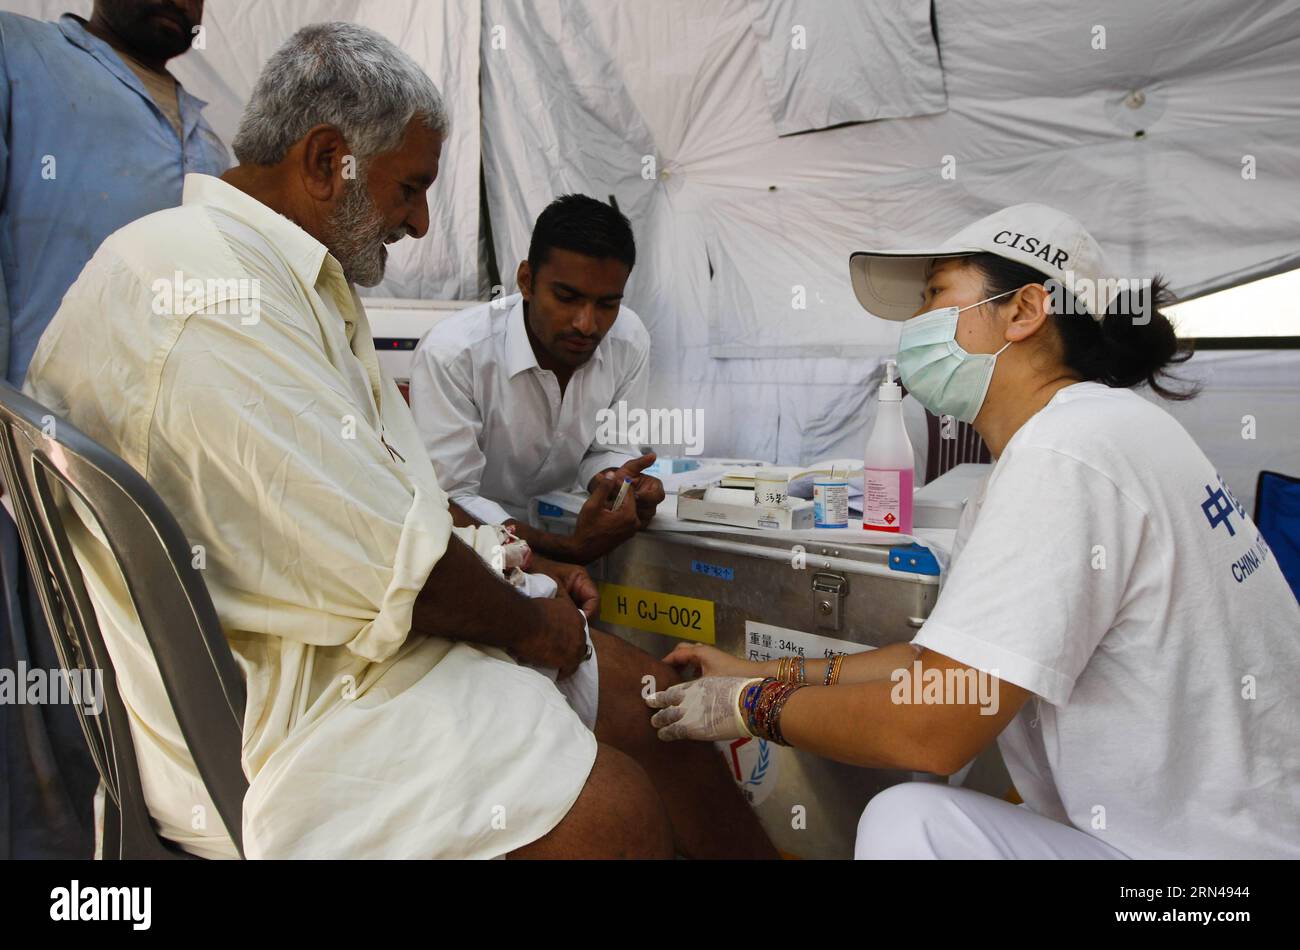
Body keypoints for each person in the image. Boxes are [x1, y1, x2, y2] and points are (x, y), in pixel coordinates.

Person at [24, 22, 773, 859]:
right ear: (323, 161)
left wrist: (513, 555)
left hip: (347, 656)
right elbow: (398, 571)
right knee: (616, 812)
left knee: (660, 709)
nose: (419, 225)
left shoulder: (262, 274)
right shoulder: (212, 298)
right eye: (410, 189)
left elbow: (387, 493)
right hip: (296, 718)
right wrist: (534, 627)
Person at [645, 204, 1300, 859]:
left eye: (935, 294)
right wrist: (758, 669)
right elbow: (934, 667)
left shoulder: (1065, 454)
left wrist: (748, 704)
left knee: (907, 825)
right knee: (920, 822)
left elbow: (932, 726)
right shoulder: (1104, 429)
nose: (915, 324)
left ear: (1023, 311)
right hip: (1227, 837)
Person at [0, 0, 227, 859]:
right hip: (33, 480)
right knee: (41, 735)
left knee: (162, 740)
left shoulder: (210, 141)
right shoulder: (20, 59)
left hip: (169, 501)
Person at [408, 195, 666, 563]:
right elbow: (450, 501)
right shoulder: (454, 354)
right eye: (566, 297)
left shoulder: (629, 338)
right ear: (526, 281)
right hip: (471, 556)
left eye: (607, 304)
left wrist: (618, 483)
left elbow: (606, 448)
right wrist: (566, 550)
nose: (586, 324)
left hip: (574, 536)